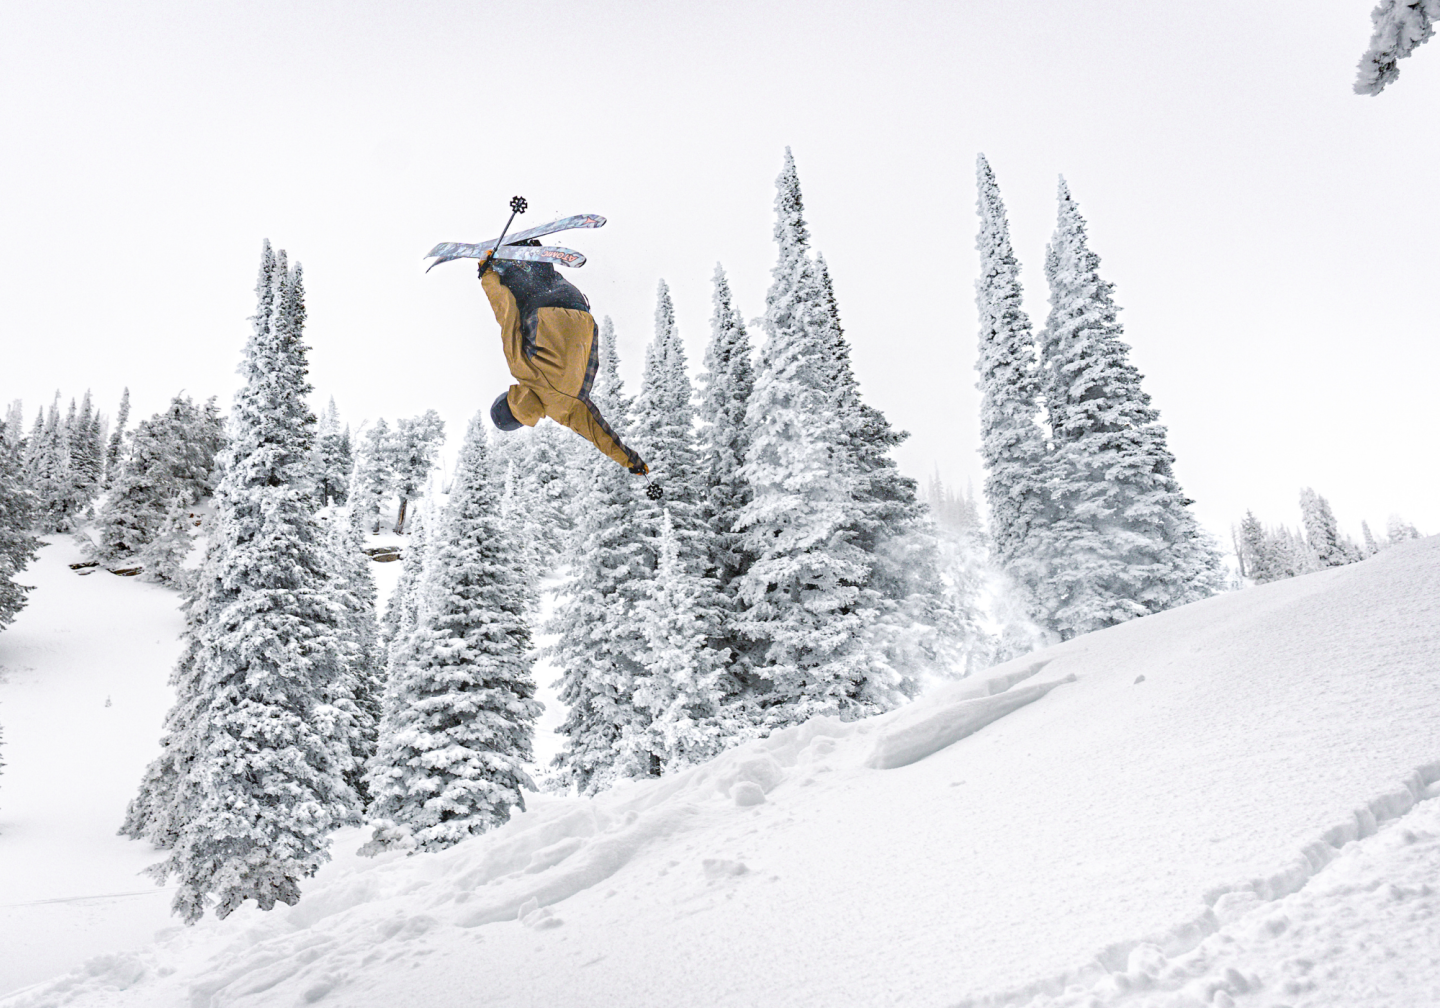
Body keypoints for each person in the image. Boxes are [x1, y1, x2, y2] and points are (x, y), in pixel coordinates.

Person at [478, 242, 648, 475]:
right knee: (517, 296)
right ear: (508, 397)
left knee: (533, 299)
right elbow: (506, 317)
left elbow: (600, 435)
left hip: (579, 307)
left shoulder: (565, 411)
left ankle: (533, 262)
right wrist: (487, 276)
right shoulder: (521, 370)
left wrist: (631, 461)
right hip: (547, 301)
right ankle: (522, 259)